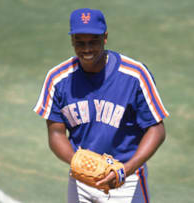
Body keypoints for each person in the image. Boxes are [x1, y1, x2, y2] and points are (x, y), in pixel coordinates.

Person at [33, 8, 169, 203]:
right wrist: (79, 164)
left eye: (93, 42)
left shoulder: (135, 75)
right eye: (80, 42)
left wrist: (125, 170)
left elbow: (156, 129)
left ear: (105, 37)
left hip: (126, 182)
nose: (87, 49)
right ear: (71, 40)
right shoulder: (57, 79)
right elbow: (56, 134)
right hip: (81, 181)